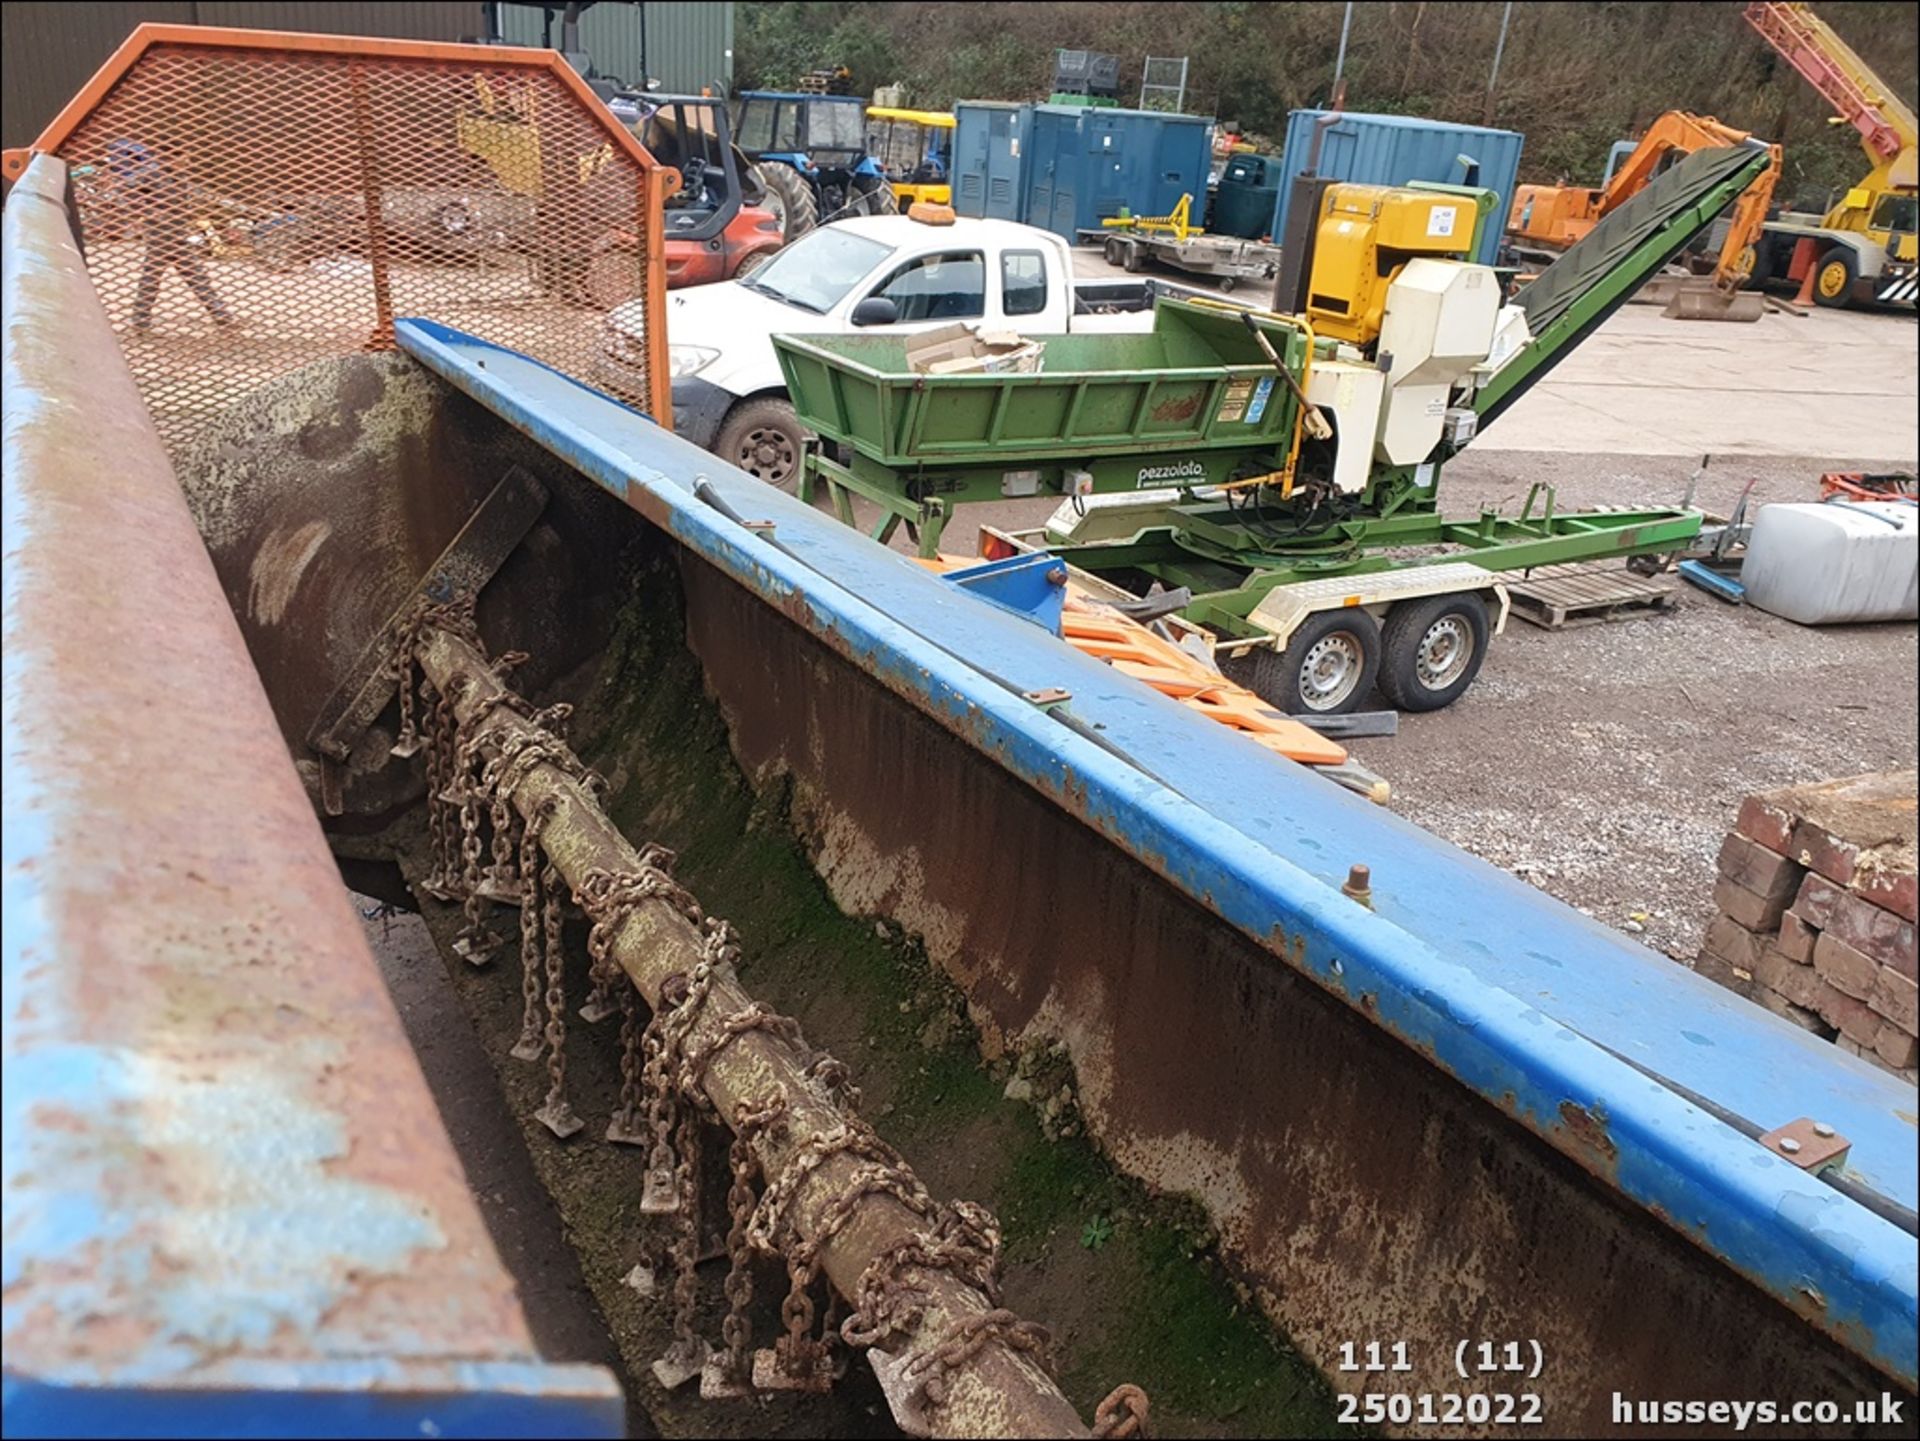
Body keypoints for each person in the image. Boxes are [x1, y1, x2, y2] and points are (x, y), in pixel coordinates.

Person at [105, 139, 233, 331]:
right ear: (172, 156)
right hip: (160, 231)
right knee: (180, 275)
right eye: (184, 156)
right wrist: (148, 211)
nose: (188, 160)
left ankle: (141, 319)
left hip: (176, 229)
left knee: (169, 276)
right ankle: (220, 315)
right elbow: (123, 190)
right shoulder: (151, 172)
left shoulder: (179, 175)